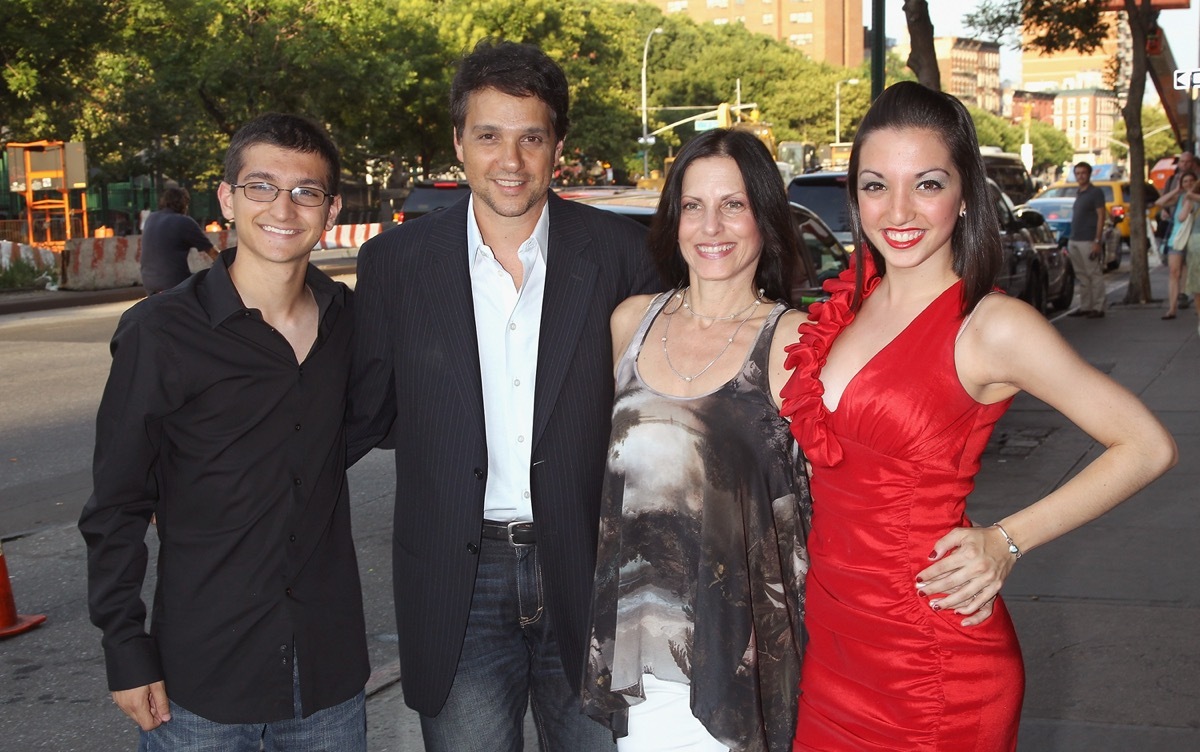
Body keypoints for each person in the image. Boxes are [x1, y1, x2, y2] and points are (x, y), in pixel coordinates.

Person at [779, 81, 1177, 750]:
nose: (898, 210)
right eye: (876, 185)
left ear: (965, 195)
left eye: (927, 184)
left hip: (931, 660)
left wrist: (1007, 539)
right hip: (835, 644)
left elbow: (1145, 446)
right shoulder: (850, 304)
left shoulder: (992, 326)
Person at [347, 40, 659, 751]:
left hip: (588, 566)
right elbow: (364, 413)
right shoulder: (395, 264)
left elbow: (666, 414)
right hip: (459, 579)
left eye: (530, 138)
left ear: (558, 148)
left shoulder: (620, 255)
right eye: (488, 135)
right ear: (459, 142)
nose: (510, 160)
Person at [79, 113, 369, 750]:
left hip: (329, 683)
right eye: (262, 187)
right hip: (200, 686)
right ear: (228, 199)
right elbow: (117, 507)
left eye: (306, 192)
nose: (283, 209)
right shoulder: (160, 334)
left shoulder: (352, 325)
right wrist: (127, 650)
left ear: (331, 209)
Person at [580, 129, 811, 752]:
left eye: (733, 204)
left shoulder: (797, 343)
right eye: (693, 205)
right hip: (641, 652)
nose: (712, 226)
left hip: (742, 656)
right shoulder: (630, 322)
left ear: (764, 217)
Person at [139, 186, 218, 294]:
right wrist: (227, 266)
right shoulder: (184, 222)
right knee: (207, 288)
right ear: (184, 203)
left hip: (149, 283)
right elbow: (212, 252)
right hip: (174, 283)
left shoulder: (151, 218)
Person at [1065, 161, 1109, 319]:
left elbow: (1101, 215)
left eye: (1083, 173)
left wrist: (1097, 240)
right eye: (1077, 173)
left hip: (1088, 240)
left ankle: (1098, 306)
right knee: (1081, 275)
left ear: (1089, 174)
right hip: (1075, 238)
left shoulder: (1095, 193)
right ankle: (1085, 305)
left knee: (1093, 273)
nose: (1080, 176)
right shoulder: (1079, 192)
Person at [1154, 170, 1198, 319]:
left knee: (1194, 274)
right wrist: (1176, 190)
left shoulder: (1196, 198)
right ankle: (1172, 308)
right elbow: (1159, 203)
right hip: (1177, 238)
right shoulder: (1180, 198)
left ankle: (1195, 303)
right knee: (1174, 272)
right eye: (1185, 181)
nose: (1188, 184)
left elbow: (1182, 216)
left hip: (1193, 239)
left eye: (1191, 181)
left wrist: (1191, 197)